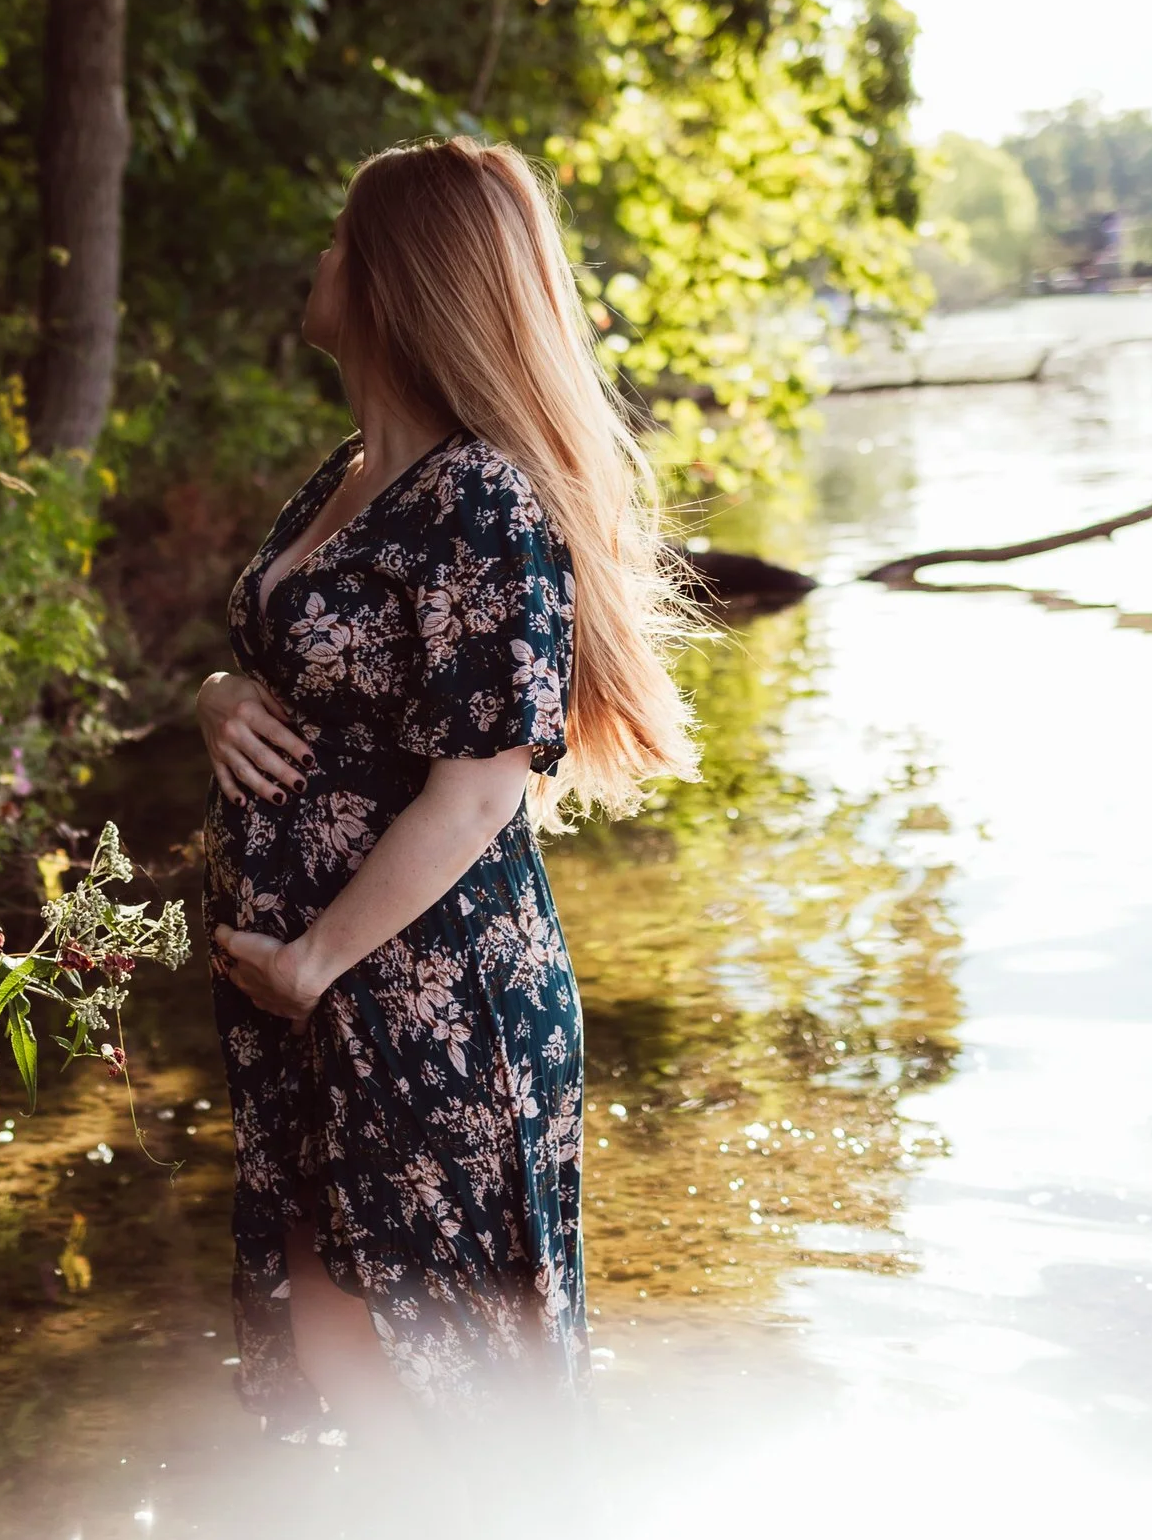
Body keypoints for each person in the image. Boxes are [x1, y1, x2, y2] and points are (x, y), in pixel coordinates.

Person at [196, 137, 696, 1444]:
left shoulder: (482, 498)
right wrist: (214, 698)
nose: (321, 259)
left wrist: (314, 959)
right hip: (315, 1000)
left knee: (432, 1380)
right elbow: (292, 661)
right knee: (330, 1356)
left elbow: (479, 795)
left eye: (342, 239)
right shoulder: (353, 471)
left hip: (426, 998)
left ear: (396, 277)